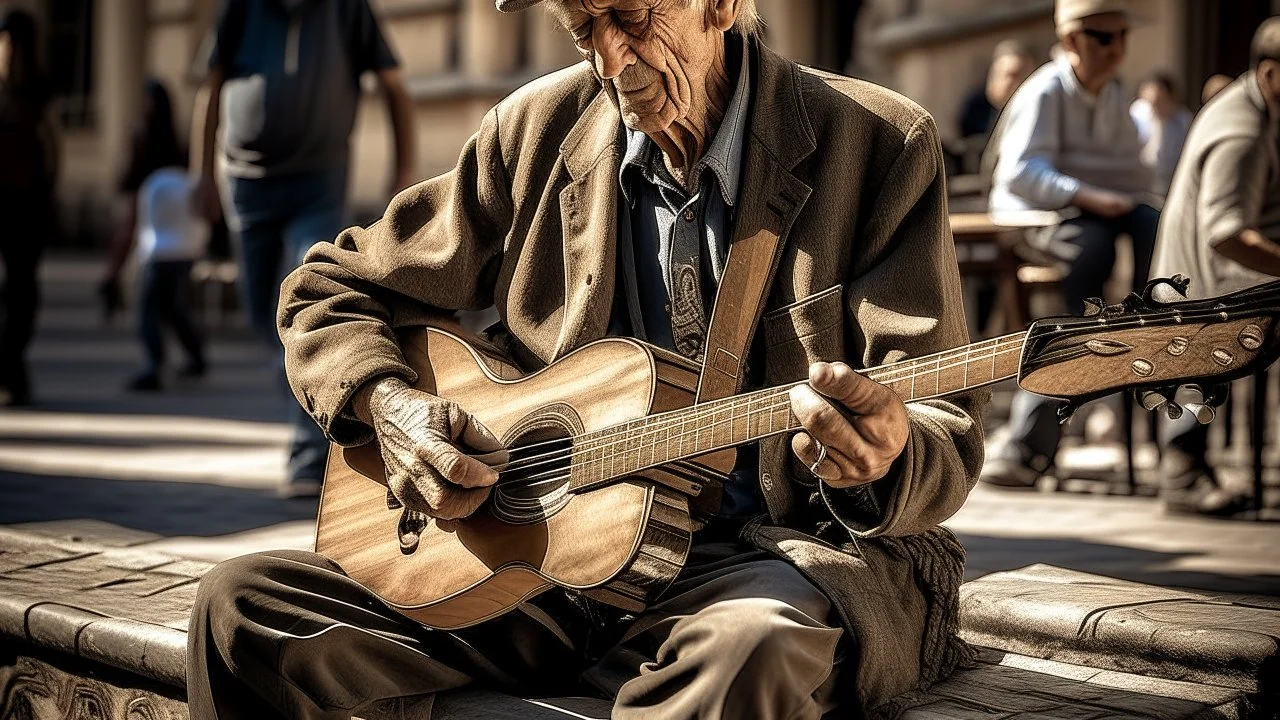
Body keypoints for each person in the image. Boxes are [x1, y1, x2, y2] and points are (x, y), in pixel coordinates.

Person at [187, 0, 988, 717]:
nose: (609, 61)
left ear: (722, 4)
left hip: (761, 558)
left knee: (750, 652)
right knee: (241, 607)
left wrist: (887, 453)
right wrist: (389, 404)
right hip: (533, 572)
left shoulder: (880, 142)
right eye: (582, 30)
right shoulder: (533, 129)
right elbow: (327, 287)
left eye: (632, 19)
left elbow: (942, 420)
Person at [191, 0, 417, 498]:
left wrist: (402, 169)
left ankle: (309, 455)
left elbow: (394, 86)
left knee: (308, 304)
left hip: (318, 183)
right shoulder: (240, 9)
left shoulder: (346, 9)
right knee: (261, 313)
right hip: (247, 183)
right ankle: (309, 390)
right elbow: (212, 88)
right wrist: (202, 174)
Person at [981, 0, 1159, 489]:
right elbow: (1019, 172)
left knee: (1153, 226)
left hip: (1090, 220)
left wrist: (1112, 197)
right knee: (1091, 255)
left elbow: (1134, 171)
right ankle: (1046, 410)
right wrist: (1087, 194)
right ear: (1071, 41)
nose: (1116, 48)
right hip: (1038, 222)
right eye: (1103, 37)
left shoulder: (1115, 94)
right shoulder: (1045, 90)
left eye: (1121, 36)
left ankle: (1149, 328)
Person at [1148, 19, 1280, 516]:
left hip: (1203, 278)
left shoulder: (1257, 109)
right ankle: (1183, 470)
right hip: (1200, 289)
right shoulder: (1241, 131)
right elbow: (1226, 236)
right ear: (1271, 74)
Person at [102, 80, 209, 391]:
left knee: (150, 307)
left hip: (158, 244)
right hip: (184, 244)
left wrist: (115, 265)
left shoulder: (145, 142)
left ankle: (154, 365)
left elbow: (134, 206)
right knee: (173, 305)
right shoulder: (180, 146)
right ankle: (195, 353)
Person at [0, 8, 57, 407]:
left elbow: (52, 143)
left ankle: (12, 367)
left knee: (22, 292)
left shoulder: (38, 89)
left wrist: (46, 189)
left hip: (27, 201)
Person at [958, 40, 1035, 143]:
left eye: (1027, 76)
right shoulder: (976, 110)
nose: (1021, 83)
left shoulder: (1036, 111)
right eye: (1012, 75)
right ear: (993, 76)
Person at [1130, 72, 1192, 196]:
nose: (1156, 104)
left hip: (1172, 188)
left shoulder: (1183, 120)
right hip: (1141, 188)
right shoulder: (1138, 114)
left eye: (1161, 99)